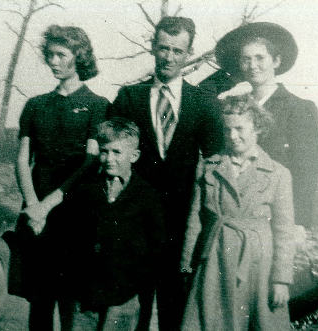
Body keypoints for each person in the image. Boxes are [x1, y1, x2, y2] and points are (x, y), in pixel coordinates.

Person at [107, 16, 223, 330]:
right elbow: (111, 160)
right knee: (131, 307)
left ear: (189, 53)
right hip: (134, 220)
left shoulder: (203, 103)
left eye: (177, 50)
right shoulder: (129, 98)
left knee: (174, 303)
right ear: (152, 47)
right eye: (163, 48)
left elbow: (217, 163)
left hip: (181, 221)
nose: (168, 57)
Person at [14, 24, 108, 330]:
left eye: (61, 54)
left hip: (74, 216)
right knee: (39, 302)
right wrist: (33, 206)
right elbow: (22, 159)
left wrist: (48, 205)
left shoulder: (98, 106)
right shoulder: (35, 105)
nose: (53, 61)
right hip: (35, 215)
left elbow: (90, 162)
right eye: (49, 54)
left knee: (72, 304)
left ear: (78, 57)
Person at [181, 94, 296, 330]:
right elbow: (195, 221)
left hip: (258, 266)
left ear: (257, 128)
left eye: (240, 128)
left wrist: (281, 279)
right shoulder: (208, 168)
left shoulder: (278, 173)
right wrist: (186, 264)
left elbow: (284, 231)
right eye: (227, 129)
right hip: (215, 259)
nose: (233, 136)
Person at [57, 118, 165, 330]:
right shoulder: (85, 191)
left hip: (123, 296)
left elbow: (156, 246)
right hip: (85, 294)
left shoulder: (147, 196)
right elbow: (70, 238)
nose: (108, 158)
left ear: (134, 156)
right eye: (104, 151)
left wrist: (136, 281)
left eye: (117, 152)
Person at [213, 22, 318, 228]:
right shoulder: (235, 108)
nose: (253, 65)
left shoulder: (299, 109)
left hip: (279, 217)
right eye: (246, 59)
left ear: (276, 61)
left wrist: (299, 224)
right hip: (240, 216)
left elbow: (306, 172)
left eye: (260, 58)